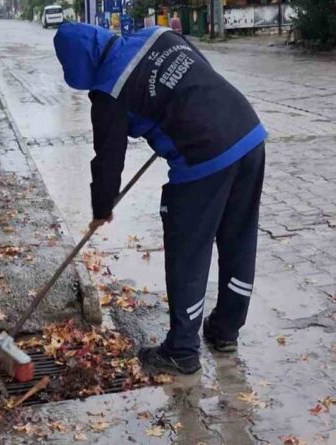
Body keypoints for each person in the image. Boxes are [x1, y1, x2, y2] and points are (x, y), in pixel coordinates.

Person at [53, 23, 266, 375]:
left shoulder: (109, 91)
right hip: (248, 133)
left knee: (188, 250)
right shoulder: (157, 34)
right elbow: (198, 70)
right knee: (238, 240)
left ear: (78, 66)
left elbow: (108, 161)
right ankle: (225, 331)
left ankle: (182, 351)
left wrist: (101, 209)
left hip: (204, 157)